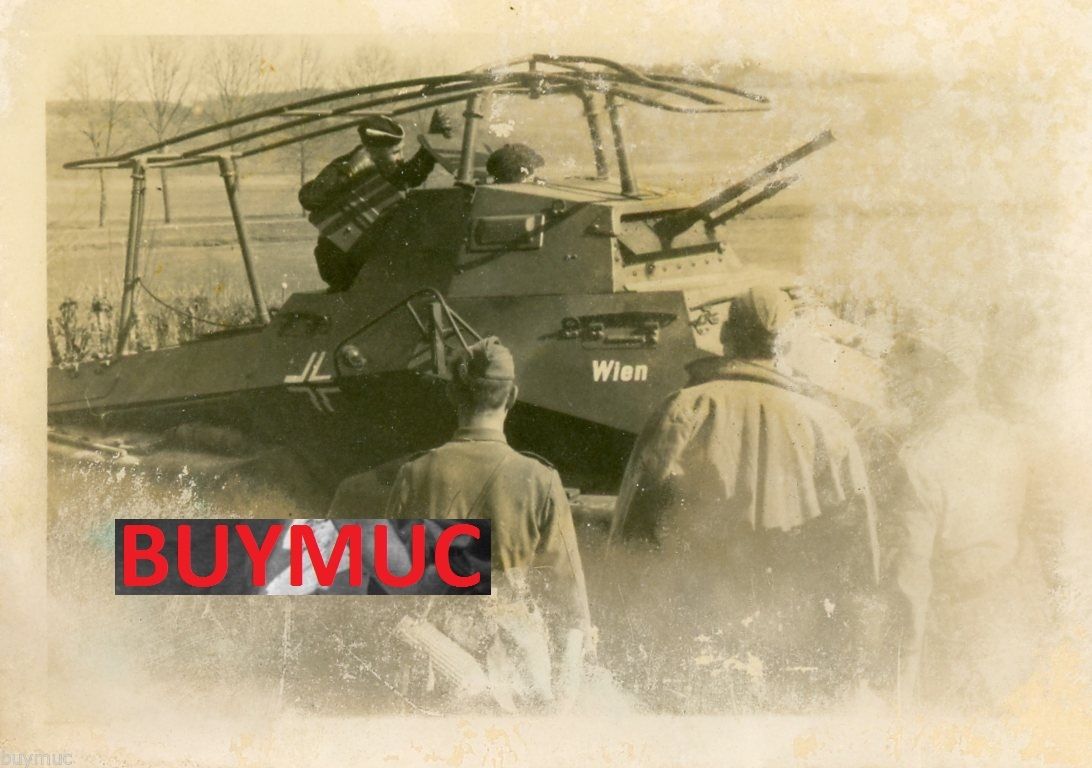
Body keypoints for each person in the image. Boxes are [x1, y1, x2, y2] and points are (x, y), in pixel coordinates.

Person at [610, 285, 880, 710]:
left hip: (698, 631)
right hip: (794, 636)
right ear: (785, 344)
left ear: (725, 336)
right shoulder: (829, 425)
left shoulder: (682, 410)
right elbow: (858, 549)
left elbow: (633, 531)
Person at [383, 336, 592, 711]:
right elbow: (568, 595)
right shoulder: (540, 479)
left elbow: (387, 581)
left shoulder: (415, 473)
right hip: (515, 670)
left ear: (452, 394)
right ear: (512, 396)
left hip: (436, 665)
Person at [886, 333, 1049, 708]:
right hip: (1016, 614)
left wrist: (905, 673)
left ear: (928, 382)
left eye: (912, 375)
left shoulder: (919, 458)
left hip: (953, 628)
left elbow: (912, 580)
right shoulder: (1011, 438)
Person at [299, 112, 452, 291]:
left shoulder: (388, 168)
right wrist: (349, 172)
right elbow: (308, 198)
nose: (401, 157)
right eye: (395, 152)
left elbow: (411, 174)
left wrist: (432, 140)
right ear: (371, 151)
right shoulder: (345, 165)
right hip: (338, 262)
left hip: (366, 255)